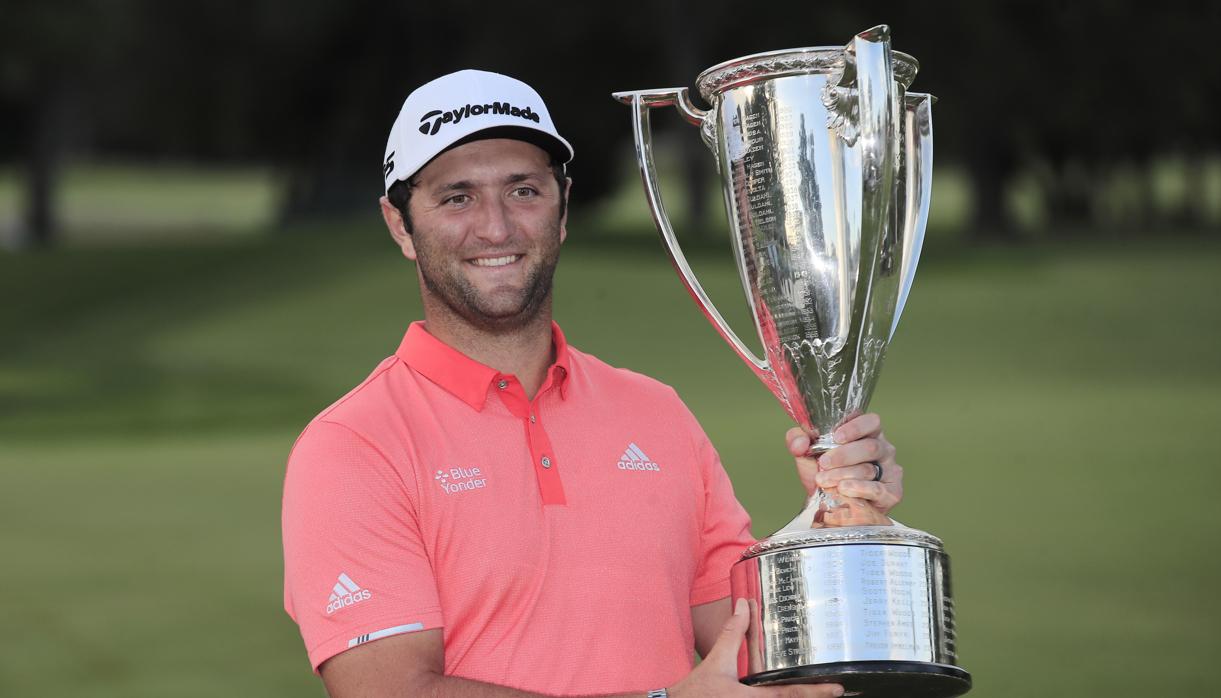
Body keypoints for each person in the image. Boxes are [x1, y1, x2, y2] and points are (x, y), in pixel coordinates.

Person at [281, 69, 906, 698]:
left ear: (562, 208)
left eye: (524, 191)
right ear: (399, 224)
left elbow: (756, 653)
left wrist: (841, 529)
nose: (496, 227)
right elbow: (392, 691)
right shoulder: (352, 445)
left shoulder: (655, 413)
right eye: (457, 197)